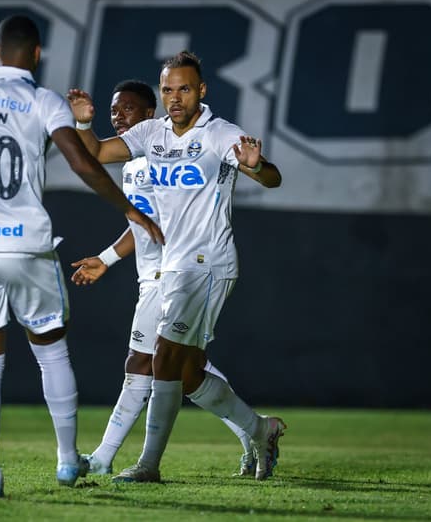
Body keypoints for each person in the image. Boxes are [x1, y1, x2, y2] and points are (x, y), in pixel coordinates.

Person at [0, 15, 163, 499]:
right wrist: (130, 210)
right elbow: (84, 163)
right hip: (24, 245)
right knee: (52, 352)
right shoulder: (43, 102)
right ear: (36, 54)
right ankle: (66, 460)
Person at [67, 51, 286, 483]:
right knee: (187, 374)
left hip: (207, 263)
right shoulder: (152, 133)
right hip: (173, 268)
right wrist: (82, 122)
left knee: (162, 360)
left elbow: (272, 177)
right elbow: (93, 152)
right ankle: (261, 429)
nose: (175, 97)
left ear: (201, 90)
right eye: (168, 89)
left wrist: (255, 166)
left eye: (184, 89)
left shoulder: (220, 133)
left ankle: (147, 465)